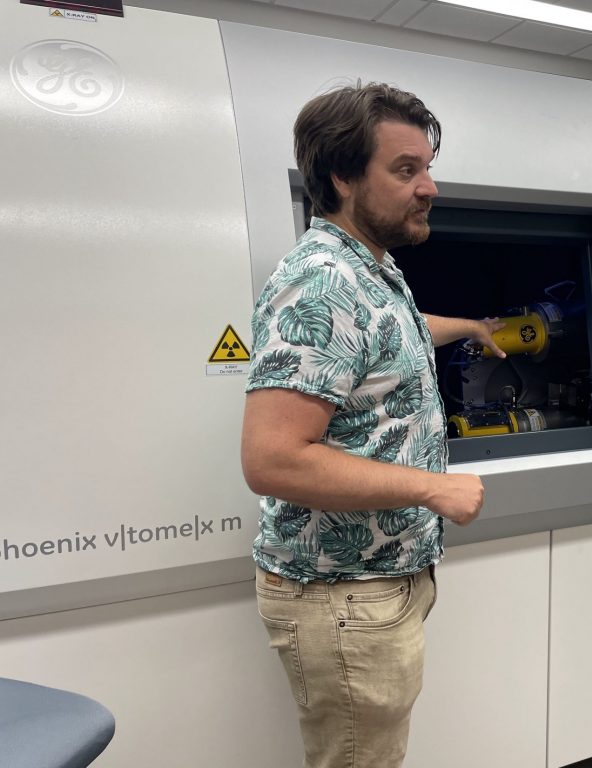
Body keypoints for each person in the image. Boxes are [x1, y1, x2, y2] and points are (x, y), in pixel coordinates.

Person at [240, 82, 505, 767]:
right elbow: (272, 459)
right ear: (342, 178)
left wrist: (472, 326)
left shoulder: (372, 271)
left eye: (427, 168)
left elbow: (396, 334)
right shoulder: (322, 284)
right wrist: (430, 488)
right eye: (405, 170)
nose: (430, 188)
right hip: (342, 597)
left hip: (374, 584)